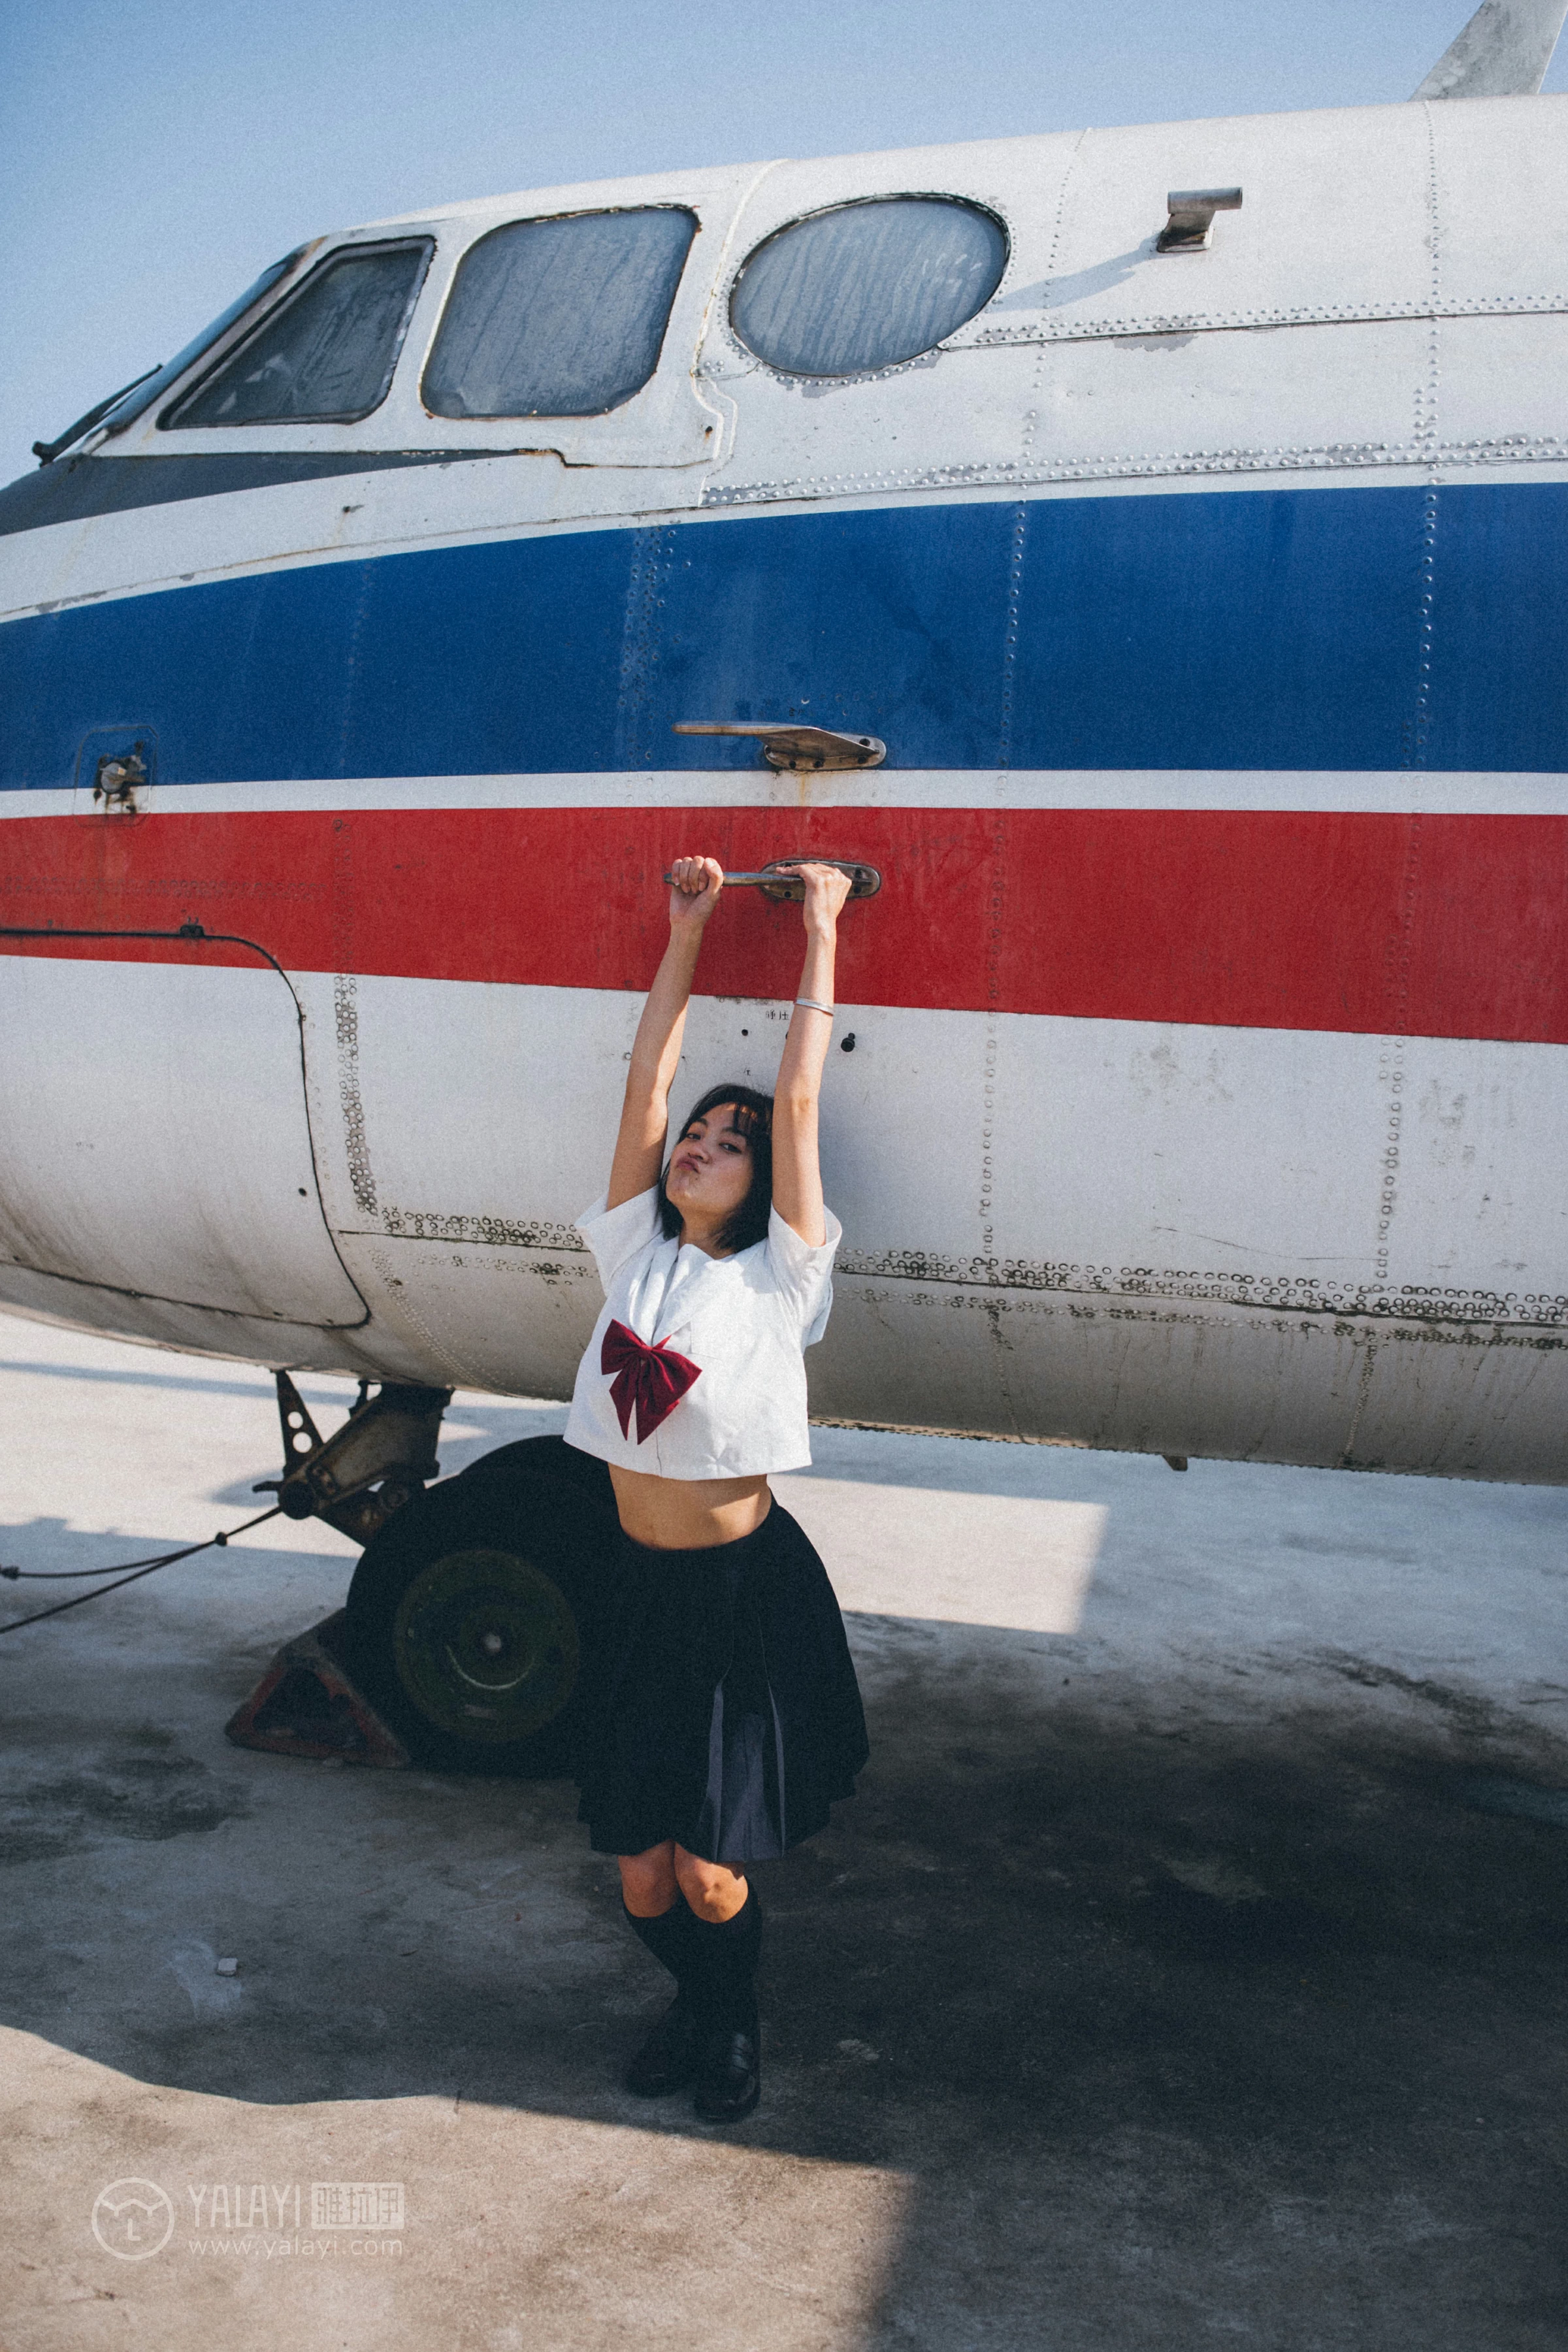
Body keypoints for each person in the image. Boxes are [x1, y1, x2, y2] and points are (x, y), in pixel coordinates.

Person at [563, 854, 870, 2125]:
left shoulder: (781, 1279)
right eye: (698, 1134)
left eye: (728, 1145)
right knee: (641, 1874)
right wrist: (685, 929)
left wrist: (821, 928)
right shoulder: (632, 1248)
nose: (701, 1144)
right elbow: (647, 1079)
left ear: (764, 1185)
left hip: (738, 1599)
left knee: (709, 1872)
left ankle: (731, 2024)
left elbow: (798, 1099)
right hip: (635, 1590)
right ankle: (695, 2002)